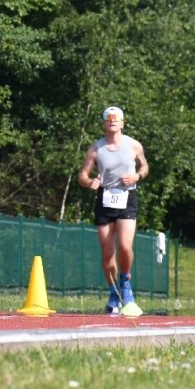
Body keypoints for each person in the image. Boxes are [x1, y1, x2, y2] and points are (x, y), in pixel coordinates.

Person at [77, 106, 149, 314]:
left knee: (125, 246)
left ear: (122, 123)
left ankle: (125, 283)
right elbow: (82, 174)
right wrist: (89, 182)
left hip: (128, 197)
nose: (112, 121)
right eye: (108, 118)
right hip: (106, 198)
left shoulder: (133, 145)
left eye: (116, 118)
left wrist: (137, 176)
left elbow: (144, 167)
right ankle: (113, 292)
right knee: (108, 251)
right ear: (104, 123)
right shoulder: (96, 148)